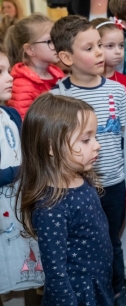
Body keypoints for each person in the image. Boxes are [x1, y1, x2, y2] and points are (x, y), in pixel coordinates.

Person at [49, 15, 126, 306]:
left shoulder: (118, 92)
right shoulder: (58, 97)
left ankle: (114, 293)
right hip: (74, 188)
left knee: (109, 242)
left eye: (100, 45)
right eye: (89, 48)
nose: (99, 52)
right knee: (81, 246)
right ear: (66, 57)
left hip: (113, 184)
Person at [15, 93, 113, 306]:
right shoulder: (51, 207)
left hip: (98, 282)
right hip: (77, 294)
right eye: (86, 139)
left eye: (95, 137)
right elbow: (56, 273)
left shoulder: (81, 179)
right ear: (51, 147)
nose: (97, 145)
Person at [91, 17, 126, 286]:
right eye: (108, 45)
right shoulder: (87, 85)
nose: (116, 51)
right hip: (94, 169)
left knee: (119, 223)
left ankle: (121, 265)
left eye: (120, 45)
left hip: (120, 167)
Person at [0, 44, 44, 306]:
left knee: (17, 275)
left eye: (8, 70)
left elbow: (25, 152)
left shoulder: (11, 114)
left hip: (17, 208)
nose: (10, 77)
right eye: (1, 71)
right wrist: (22, 171)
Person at [4, 13, 64, 119]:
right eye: (49, 41)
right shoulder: (22, 85)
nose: (57, 45)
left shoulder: (57, 74)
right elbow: (25, 125)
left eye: (57, 39)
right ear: (30, 50)